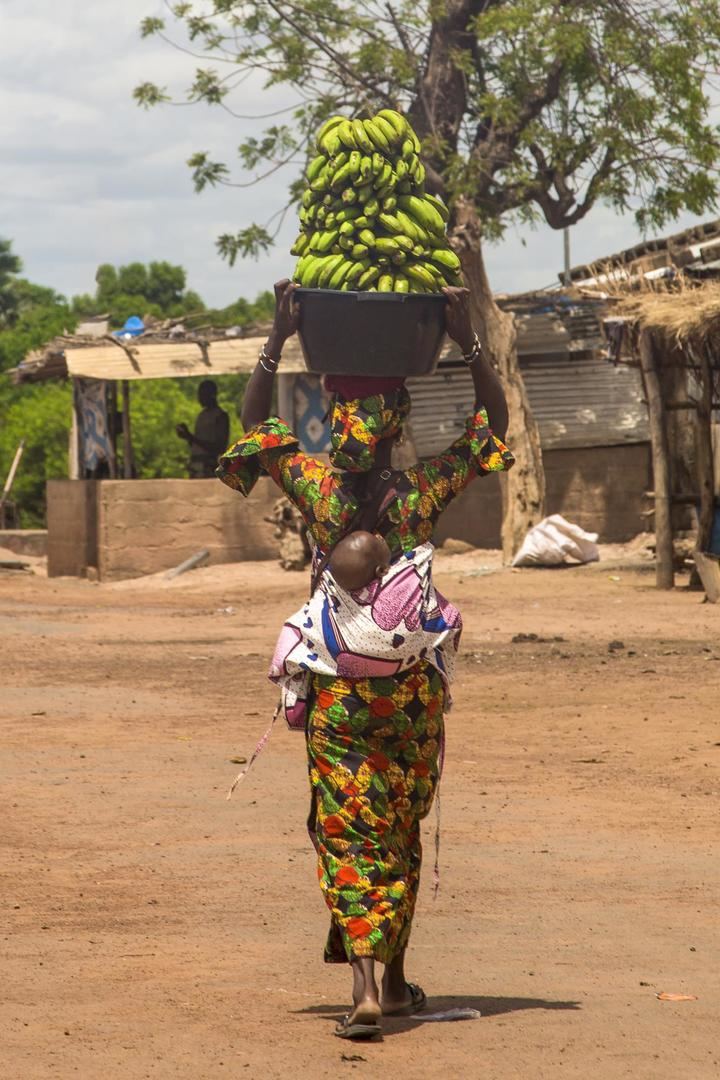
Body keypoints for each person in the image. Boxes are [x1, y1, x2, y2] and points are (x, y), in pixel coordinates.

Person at [217, 279, 514, 1040]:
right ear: (397, 430)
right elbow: (492, 427)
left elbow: (253, 428)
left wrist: (278, 337)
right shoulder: (419, 493)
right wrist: (465, 336)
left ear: (333, 424)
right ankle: (401, 971)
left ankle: (367, 987)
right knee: (402, 829)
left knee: (350, 832)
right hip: (410, 696)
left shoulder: (317, 489)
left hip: (339, 697)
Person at [176, 379, 230, 478]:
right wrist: (187, 437)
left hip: (208, 467)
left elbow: (219, 447)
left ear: (212, 395)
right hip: (195, 466)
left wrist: (191, 437)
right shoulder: (201, 415)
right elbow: (198, 445)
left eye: (202, 395)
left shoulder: (221, 416)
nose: (199, 398)